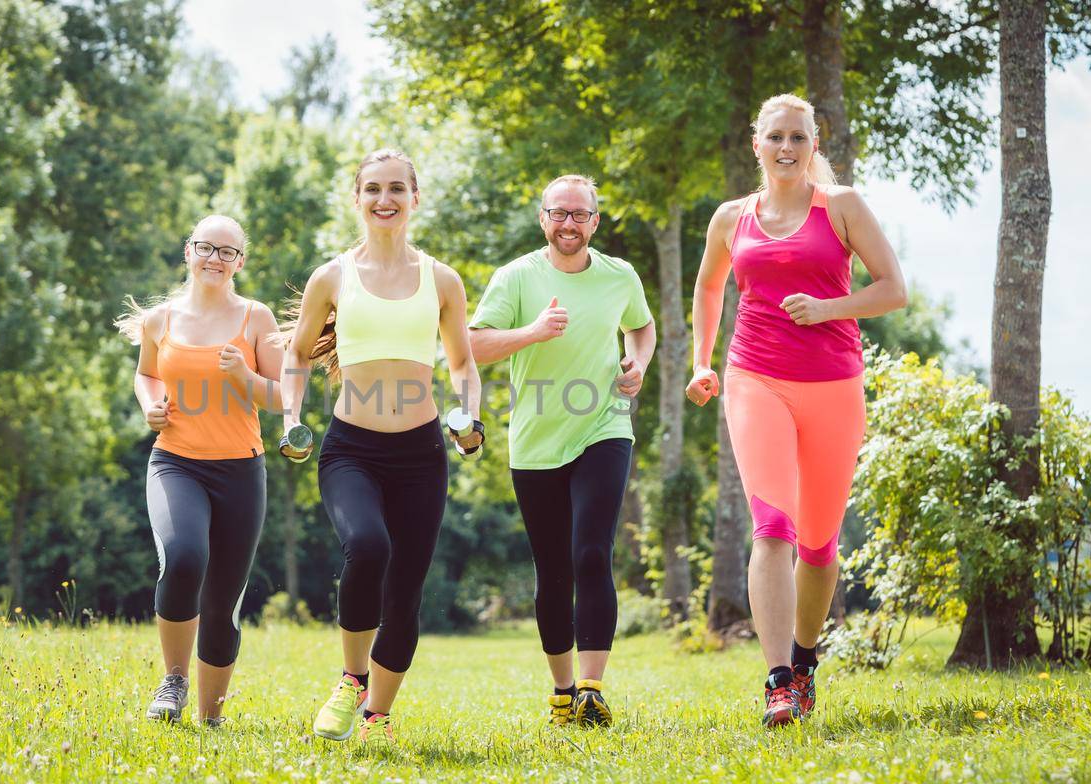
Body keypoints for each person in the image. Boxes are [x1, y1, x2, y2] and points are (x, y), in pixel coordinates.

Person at [686, 94, 907, 727]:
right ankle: (778, 679)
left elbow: (894, 290)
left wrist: (827, 308)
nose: (787, 148)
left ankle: (806, 661)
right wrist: (703, 361)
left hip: (834, 386)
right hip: (755, 378)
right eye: (776, 137)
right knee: (772, 527)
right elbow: (708, 285)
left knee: (818, 544)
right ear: (756, 144)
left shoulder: (842, 207)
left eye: (798, 138)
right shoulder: (732, 217)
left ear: (814, 145)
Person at [279, 149, 484, 744]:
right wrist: (291, 415)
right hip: (353, 451)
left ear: (415, 198)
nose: (384, 200)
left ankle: (376, 717)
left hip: (421, 454)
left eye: (396, 188)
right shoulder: (332, 276)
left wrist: (467, 412)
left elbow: (463, 361)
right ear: (357, 199)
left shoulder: (441, 279)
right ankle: (351, 679)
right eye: (372, 189)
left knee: (407, 590)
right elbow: (295, 353)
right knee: (366, 547)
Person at [467, 174, 655, 728]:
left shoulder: (620, 275)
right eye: (559, 213)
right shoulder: (516, 277)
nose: (568, 223)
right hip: (535, 442)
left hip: (604, 427)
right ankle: (562, 691)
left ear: (595, 221)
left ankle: (593, 690)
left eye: (579, 214)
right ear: (542, 218)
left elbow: (641, 329)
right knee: (552, 572)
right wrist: (533, 332)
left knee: (591, 554)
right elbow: (474, 343)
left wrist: (637, 362)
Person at [115, 214, 283, 727]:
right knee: (185, 559)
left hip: (239, 471)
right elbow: (146, 374)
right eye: (206, 247)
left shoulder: (257, 319)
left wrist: (245, 375)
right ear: (188, 251)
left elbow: (282, 399)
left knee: (223, 599)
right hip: (176, 463)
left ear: (240, 262)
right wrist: (150, 405)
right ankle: (173, 681)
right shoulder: (160, 320)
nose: (215, 258)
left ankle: (211, 717)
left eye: (227, 251)